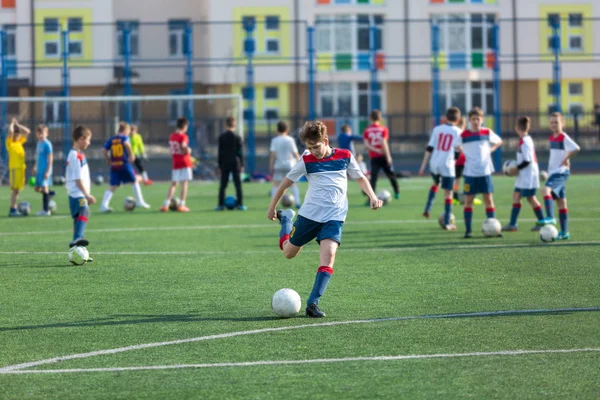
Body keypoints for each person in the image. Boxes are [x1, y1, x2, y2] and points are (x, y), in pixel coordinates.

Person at [267, 120, 383, 318]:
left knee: (329, 256)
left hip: (334, 217)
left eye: (316, 147)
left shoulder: (345, 156)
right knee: (288, 253)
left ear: (326, 141)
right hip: (309, 216)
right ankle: (287, 220)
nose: (313, 151)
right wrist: (272, 208)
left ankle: (313, 303)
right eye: (309, 148)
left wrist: (372, 196)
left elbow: (360, 178)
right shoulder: (306, 160)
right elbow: (284, 184)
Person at [456, 107, 503, 238]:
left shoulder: (487, 132)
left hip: (485, 171)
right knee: (468, 201)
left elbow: (499, 141)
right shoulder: (464, 135)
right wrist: (463, 152)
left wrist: (491, 149)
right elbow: (456, 145)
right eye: (473, 119)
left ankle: (493, 228)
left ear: (482, 120)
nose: (476, 121)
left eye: (478, 119)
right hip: (470, 173)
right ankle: (468, 230)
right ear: (469, 120)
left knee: (488, 199)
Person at [418, 107, 463, 229]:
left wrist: (422, 167)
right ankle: (448, 222)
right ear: (458, 119)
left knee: (435, 183)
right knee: (448, 193)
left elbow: (429, 148)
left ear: (445, 117)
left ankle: (427, 208)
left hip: (434, 164)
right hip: (447, 165)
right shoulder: (458, 132)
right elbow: (459, 150)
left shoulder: (437, 129)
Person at [540, 112, 580, 240]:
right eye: (551, 122)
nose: (553, 124)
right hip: (554, 172)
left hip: (560, 172)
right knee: (561, 202)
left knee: (545, 190)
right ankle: (564, 232)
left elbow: (576, 148)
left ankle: (550, 216)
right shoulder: (552, 137)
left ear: (562, 123)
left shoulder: (563, 136)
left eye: (556, 122)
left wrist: (566, 158)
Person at [502, 117, 546, 232]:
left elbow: (527, 160)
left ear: (517, 128)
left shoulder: (525, 141)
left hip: (528, 174)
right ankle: (512, 224)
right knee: (516, 196)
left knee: (531, 198)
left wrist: (516, 168)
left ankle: (542, 222)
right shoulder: (525, 139)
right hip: (523, 174)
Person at [100, 122, 150, 212]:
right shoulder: (124, 137)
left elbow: (104, 150)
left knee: (113, 186)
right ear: (125, 130)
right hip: (124, 164)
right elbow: (127, 144)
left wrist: (108, 160)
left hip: (114, 165)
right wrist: (131, 155)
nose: (129, 133)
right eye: (128, 131)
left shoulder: (112, 139)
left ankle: (103, 205)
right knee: (134, 181)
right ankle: (140, 201)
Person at [66, 125, 96, 255]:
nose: (89, 143)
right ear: (81, 139)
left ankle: (77, 250)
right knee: (84, 210)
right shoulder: (75, 156)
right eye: (87, 140)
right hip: (77, 193)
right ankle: (78, 239)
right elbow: (78, 179)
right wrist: (87, 195)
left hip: (78, 193)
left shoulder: (79, 155)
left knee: (79, 217)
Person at [363, 110, 399, 203]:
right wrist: (388, 156)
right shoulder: (383, 129)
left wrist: (375, 150)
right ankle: (397, 192)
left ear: (370, 118)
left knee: (373, 178)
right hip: (383, 156)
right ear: (380, 118)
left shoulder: (367, 130)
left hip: (374, 157)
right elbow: (384, 143)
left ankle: (371, 198)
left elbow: (366, 145)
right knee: (390, 174)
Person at [160, 117, 193, 212]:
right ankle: (182, 204)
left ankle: (166, 204)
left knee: (174, 184)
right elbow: (184, 146)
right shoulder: (183, 136)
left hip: (175, 162)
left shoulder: (172, 136)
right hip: (184, 161)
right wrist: (189, 151)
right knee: (184, 183)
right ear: (185, 126)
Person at [269, 121, 301, 208]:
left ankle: (273, 205)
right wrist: (300, 163)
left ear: (277, 130)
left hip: (279, 165)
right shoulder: (290, 140)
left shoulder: (275, 140)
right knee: (292, 184)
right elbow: (295, 153)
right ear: (287, 129)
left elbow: (273, 154)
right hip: (289, 165)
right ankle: (297, 203)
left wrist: (271, 165)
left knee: (276, 184)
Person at [216, 116, 245, 211]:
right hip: (235, 162)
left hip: (225, 162)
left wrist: (219, 165)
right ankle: (240, 204)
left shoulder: (222, 137)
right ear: (235, 125)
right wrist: (242, 164)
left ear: (225, 124)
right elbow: (240, 152)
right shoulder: (237, 137)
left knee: (223, 184)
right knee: (237, 184)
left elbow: (220, 152)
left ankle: (220, 205)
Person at [6, 118, 31, 217]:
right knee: (15, 190)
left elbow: (27, 131)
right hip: (15, 169)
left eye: (18, 133)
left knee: (18, 190)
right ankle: (12, 209)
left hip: (21, 169)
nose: (16, 135)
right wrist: (12, 124)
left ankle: (14, 207)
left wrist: (18, 125)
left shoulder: (19, 142)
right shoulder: (10, 143)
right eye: (15, 134)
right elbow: (10, 131)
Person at [32, 124, 56, 216]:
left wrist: (48, 171)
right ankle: (50, 193)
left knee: (44, 187)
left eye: (42, 133)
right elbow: (38, 157)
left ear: (47, 134)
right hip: (39, 170)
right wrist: (35, 167)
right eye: (38, 134)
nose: (40, 135)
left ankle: (45, 210)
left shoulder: (47, 144)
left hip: (45, 170)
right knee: (37, 189)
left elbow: (50, 158)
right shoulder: (39, 143)